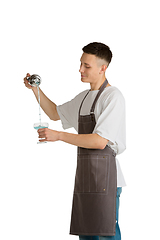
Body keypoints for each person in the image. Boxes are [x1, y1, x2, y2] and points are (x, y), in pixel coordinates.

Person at [24, 42, 126, 240]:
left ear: (102, 68)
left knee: (105, 235)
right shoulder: (83, 97)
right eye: (81, 64)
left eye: (86, 66)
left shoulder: (113, 97)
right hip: (85, 178)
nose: (80, 69)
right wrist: (35, 90)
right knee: (86, 235)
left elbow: (99, 141)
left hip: (107, 179)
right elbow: (55, 113)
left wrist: (59, 136)